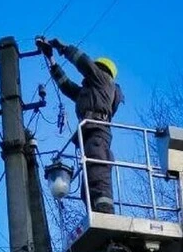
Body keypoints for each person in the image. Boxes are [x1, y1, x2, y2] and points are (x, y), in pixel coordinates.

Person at [36, 37, 124, 214]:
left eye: (95, 68)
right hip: (89, 135)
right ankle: (94, 212)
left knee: (97, 173)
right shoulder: (91, 92)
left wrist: (63, 47)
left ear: (102, 70)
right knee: (87, 185)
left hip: (97, 132)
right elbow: (66, 86)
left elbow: (84, 63)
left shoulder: (103, 81)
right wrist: (51, 59)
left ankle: (105, 211)